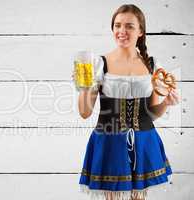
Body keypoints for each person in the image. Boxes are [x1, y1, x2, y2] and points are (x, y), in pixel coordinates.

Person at [73, 4, 180, 200]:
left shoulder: (152, 65)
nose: (122, 31)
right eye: (117, 25)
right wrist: (84, 86)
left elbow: (151, 114)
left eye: (129, 26)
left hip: (145, 141)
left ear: (140, 31)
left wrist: (166, 103)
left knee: (139, 198)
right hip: (108, 140)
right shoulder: (99, 64)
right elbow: (85, 112)